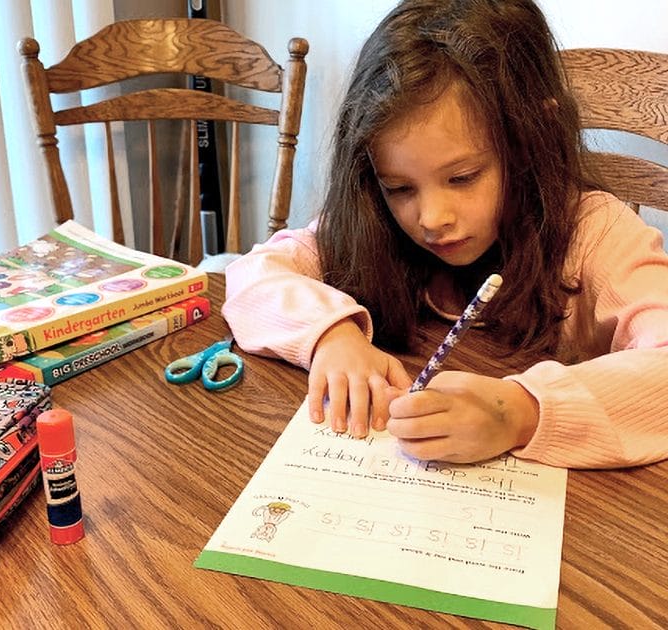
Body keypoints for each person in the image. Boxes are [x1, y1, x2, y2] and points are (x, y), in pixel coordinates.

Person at [223, 0, 668, 469]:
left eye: (463, 177)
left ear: (531, 140)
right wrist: (331, 336)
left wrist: (520, 411)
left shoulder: (596, 231)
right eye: (400, 187)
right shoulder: (370, 223)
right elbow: (254, 274)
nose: (432, 218)